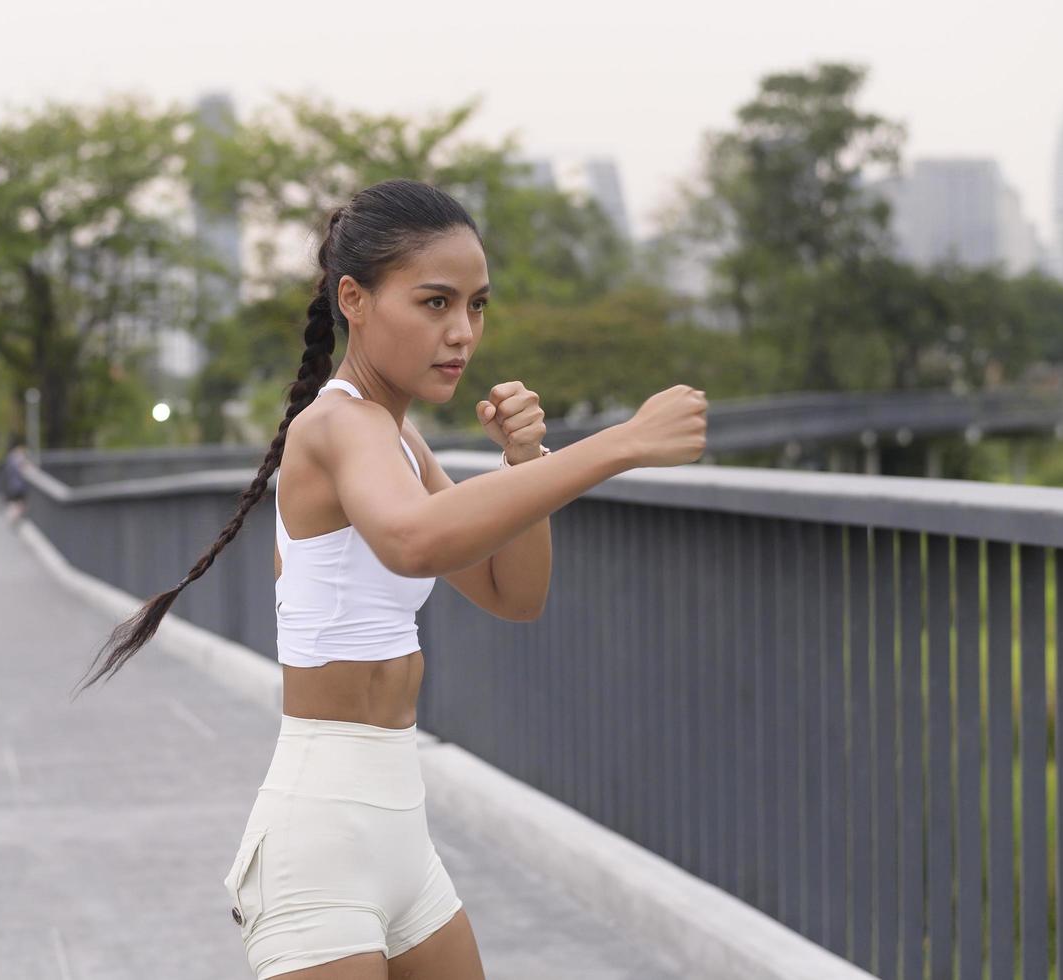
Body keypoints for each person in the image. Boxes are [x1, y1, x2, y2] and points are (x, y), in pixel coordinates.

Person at [71, 178, 707, 979]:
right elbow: (412, 542)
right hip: (319, 843)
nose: (462, 333)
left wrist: (529, 464)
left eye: (476, 306)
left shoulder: (402, 443)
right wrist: (617, 446)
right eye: (434, 303)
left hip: (400, 831)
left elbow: (516, 594)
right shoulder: (336, 422)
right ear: (355, 300)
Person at [1, 435, 29, 527]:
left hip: (11, 485)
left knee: (15, 504)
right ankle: (13, 519)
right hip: (18, 486)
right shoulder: (17, 458)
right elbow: (23, 469)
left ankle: (12, 518)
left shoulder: (9, 458)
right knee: (20, 505)